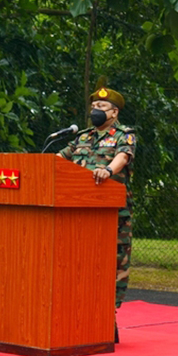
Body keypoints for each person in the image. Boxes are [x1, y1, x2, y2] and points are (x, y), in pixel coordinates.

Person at [58, 85, 137, 341]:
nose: (95, 110)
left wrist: (108, 172)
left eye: (101, 107)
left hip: (113, 212)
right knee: (80, 262)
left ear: (113, 112)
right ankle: (81, 315)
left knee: (113, 263)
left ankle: (107, 314)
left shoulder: (125, 135)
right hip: (79, 211)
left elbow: (123, 158)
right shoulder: (81, 137)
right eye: (93, 107)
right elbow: (59, 160)